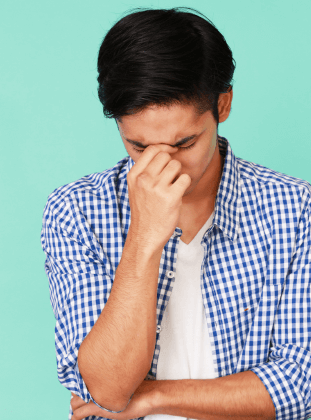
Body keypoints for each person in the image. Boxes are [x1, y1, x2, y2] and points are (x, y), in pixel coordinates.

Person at [40, 7, 311, 420]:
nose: (162, 166)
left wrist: (153, 397)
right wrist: (144, 237)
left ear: (222, 105)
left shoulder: (296, 210)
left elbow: (297, 384)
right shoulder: (76, 210)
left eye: (183, 143)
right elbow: (108, 388)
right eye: (139, 147)